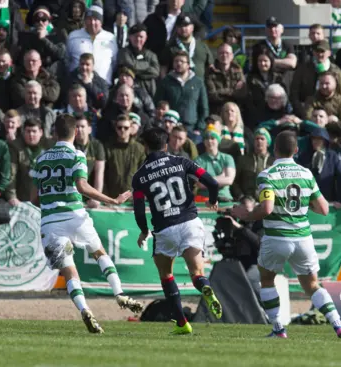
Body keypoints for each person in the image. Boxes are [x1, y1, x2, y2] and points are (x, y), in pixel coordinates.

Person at [231, 130, 341, 339]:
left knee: (267, 280)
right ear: (296, 150)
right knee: (311, 285)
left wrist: (247, 215)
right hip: (302, 238)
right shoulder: (306, 174)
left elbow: (266, 208)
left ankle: (278, 329)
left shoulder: (267, 175)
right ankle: (339, 326)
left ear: (275, 149)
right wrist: (302, 205)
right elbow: (323, 209)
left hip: (276, 237)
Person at [30, 114, 143, 334]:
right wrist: (112, 200)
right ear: (76, 132)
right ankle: (119, 294)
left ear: (55, 133)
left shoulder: (41, 159)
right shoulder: (77, 154)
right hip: (75, 214)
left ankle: (85, 309)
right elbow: (82, 186)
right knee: (99, 253)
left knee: (70, 271)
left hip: (51, 221)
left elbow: (34, 197)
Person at [131, 127, 222, 335]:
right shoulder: (182, 162)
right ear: (165, 145)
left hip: (164, 230)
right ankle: (204, 286)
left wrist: (144, 230)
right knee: (197, 272)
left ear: (145, 147)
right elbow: (212, 182)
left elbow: (138, 210)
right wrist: (213, 199)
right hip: (190, 222)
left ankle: (182, 323)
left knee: (166, 274)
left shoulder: (140, 177)